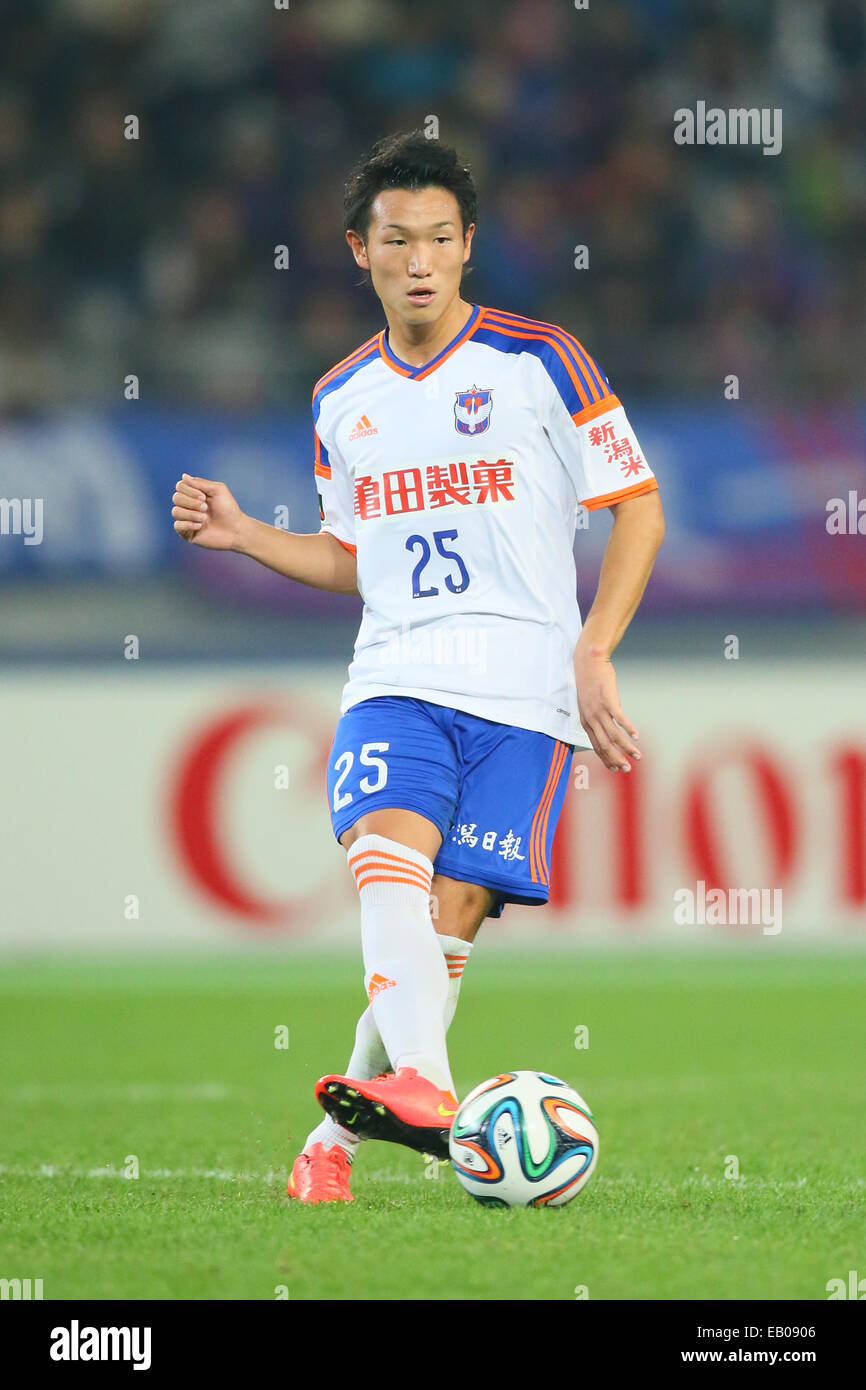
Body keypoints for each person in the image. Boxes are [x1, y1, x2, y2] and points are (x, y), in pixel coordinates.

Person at [171, 131, 665, 1204]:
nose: (420, 259)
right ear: (360, 249)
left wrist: (593, 649)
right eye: (397, 240)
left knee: (441, 936)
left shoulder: (540, 359)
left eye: (440, 238)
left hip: (526, 693)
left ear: (467, 245)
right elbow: (355, 557)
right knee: (384, 866)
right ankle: (434, 1096)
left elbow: (636, 503)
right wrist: (250, 533)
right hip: (394, 676)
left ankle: (333, 1145)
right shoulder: (338, 397)